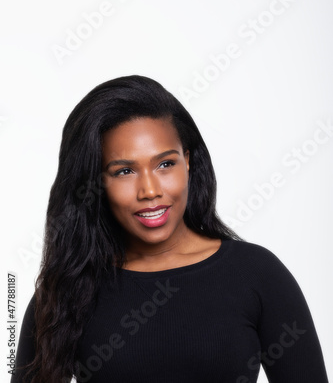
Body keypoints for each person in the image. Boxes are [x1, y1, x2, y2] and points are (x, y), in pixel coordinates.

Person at [11, 75, 329, 383]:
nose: (149, 190)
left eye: (165, 164)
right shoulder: (67, 290)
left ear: (187, 161)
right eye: (124, 171)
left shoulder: (257, 275)